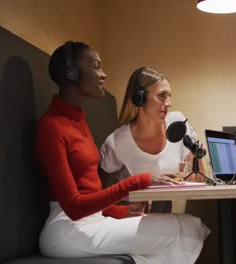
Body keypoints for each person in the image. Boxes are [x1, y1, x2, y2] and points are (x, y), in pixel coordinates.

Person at [35, 41, 210, 264]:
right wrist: (140, 181)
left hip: (92, 222)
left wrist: (120, 211)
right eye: (96, 66)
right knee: (186, 229)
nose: (103, 74)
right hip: (66, 231)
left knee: (189, 225)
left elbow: (90, 193)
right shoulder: (51, 127)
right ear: (72, 73)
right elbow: (73, 206)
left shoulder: (78, 121)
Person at [99, 66, 204, 214]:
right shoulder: (117, 141)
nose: (168, 103)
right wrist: (121, 210)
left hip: (164, 215)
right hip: (132, 218)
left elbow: (200, 178)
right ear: (139, 98)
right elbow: (96, 194)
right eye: (162, 95)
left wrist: (174, 181)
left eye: (169, 96)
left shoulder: (178, 123)